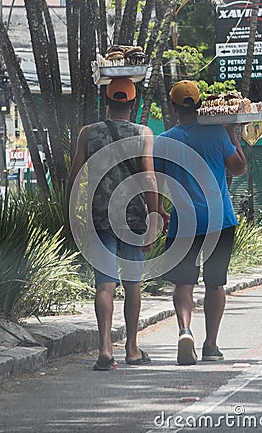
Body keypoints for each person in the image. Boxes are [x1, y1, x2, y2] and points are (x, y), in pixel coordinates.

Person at [66, 78, 158, 371]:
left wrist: (71, 217)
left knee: (104, 284)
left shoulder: (87, 133)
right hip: (132, 218)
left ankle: (105, 348)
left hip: (99, 217)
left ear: (106, 101)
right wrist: (154, 216)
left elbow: (74, 178)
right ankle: (131, 349)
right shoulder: (144, 133)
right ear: (133, 104)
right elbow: (149, 177)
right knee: (132, 284)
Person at [153, 80, 246, 364]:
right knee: (215, 284)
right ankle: (211, 345)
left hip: (184, 222)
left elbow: (155, 182)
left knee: (184, 283)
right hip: (220, 220)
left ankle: (184, 330)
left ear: (173, 107)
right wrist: (232, 133)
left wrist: (159, 212)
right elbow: (239, 168)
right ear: (199, 105)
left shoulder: (164, 140)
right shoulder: (217, 133)